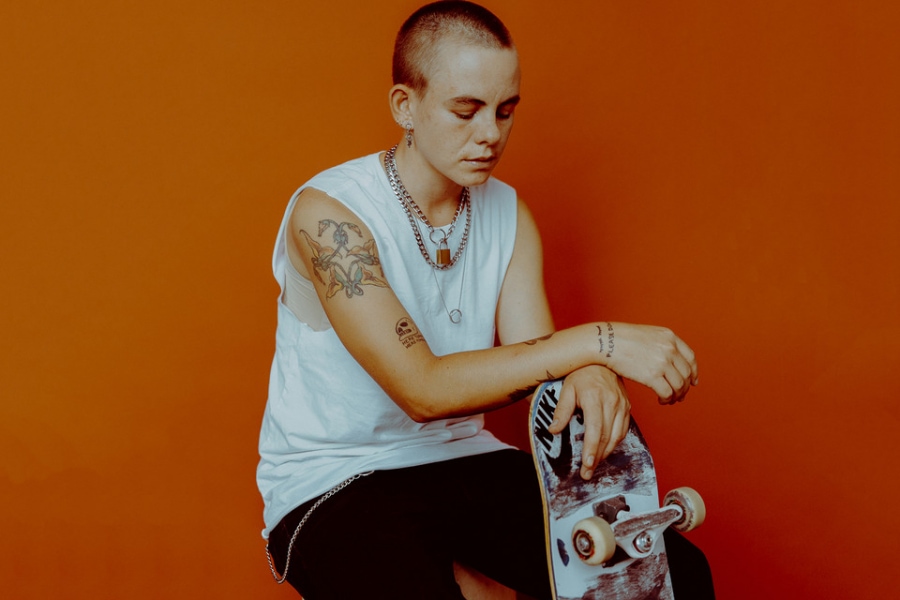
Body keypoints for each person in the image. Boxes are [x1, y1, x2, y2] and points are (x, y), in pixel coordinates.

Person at [257, 2, 714, 598]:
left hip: (464, 461)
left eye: (505, 110)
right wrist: (599, 342)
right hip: (334, 481)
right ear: (405, 106)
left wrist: (589, 370)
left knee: (676, 574)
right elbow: (422, 390)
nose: (491, 134)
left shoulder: (508, 213)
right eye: (465, 110)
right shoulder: (329, 218)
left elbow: (541, 362)